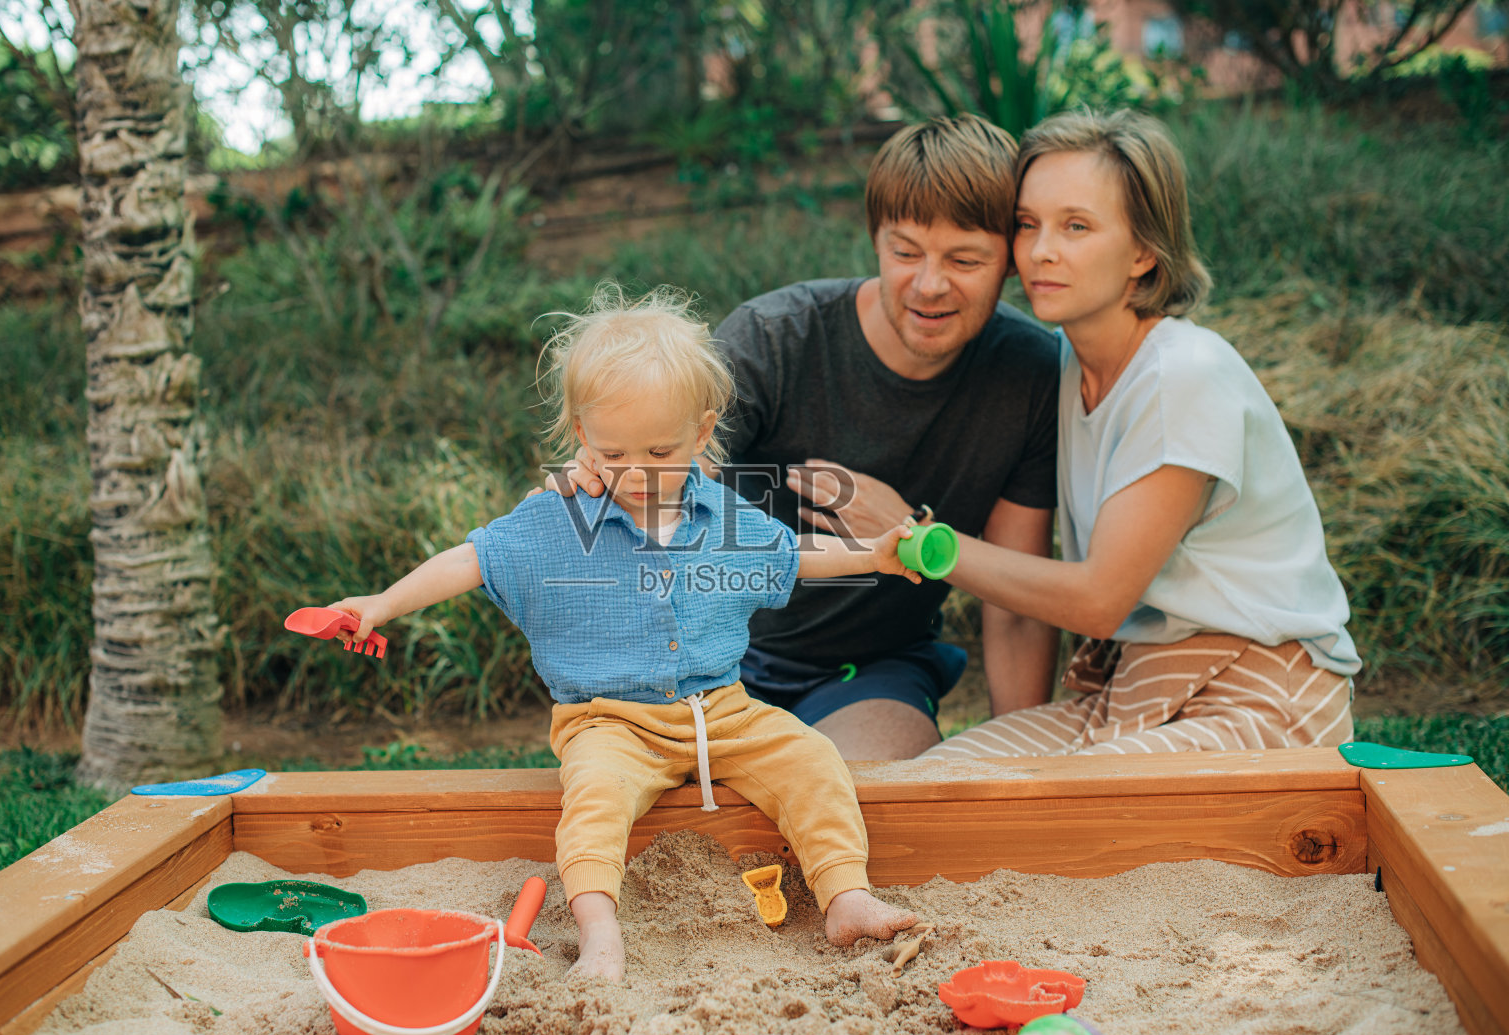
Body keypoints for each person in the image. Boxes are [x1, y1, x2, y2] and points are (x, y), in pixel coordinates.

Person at [327, 285, 921, 982]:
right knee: (595, 796)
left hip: (722, 710)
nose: (636, 472)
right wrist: (382, 603)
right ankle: (599, 933)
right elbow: (473, 559)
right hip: (608, 718)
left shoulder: (721, 513)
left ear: (701, 433)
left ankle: (845, 896)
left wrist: (874, 553)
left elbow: (792, 554)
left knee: (812, 759)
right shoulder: (558, 518)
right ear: (582, 436)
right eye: (612, 452)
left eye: (660, 450)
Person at [553, 115, 1064, 759]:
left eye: (965, 260)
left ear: (1011, 260)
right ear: (875, 239)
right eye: (905, 253)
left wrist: (1026, 770)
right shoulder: (773, 339)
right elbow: (653, 496)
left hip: (869, 673)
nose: (930, 285)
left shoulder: (1029, 373)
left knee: (873, 781)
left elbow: (1016, 602)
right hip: (713, 658)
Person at [919, 109, 1359, 762]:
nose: (1041, 251)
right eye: (1028, 224)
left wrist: (926, 544)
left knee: (1062, 802)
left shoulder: (1184, 376)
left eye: (1076, 226)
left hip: (1263, 696)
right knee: (943, 778)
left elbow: (1099, 600)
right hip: (1133, 693)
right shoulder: (1064, 366)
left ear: (1143, 251)